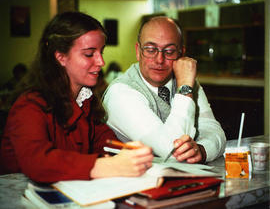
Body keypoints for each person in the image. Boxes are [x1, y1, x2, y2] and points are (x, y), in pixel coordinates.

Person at [0, 12, 153, 183]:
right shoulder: (29, 104)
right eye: (89, 54)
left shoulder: (85, 100)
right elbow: (37, 162)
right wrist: (105, 166)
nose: (101, 62)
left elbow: (106, 142)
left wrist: (129, 151)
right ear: (61, 57)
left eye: (101, 52)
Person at [103, 16, 226, 164]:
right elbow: (172, 152)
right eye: (150, 49)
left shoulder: (185, 80)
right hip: (132, 183)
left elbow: (213, 129)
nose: (159, 60)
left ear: (181, 54)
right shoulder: (120, 93)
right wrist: (185, 88)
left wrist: (202, 150)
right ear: (138, 51)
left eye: (169, 51)